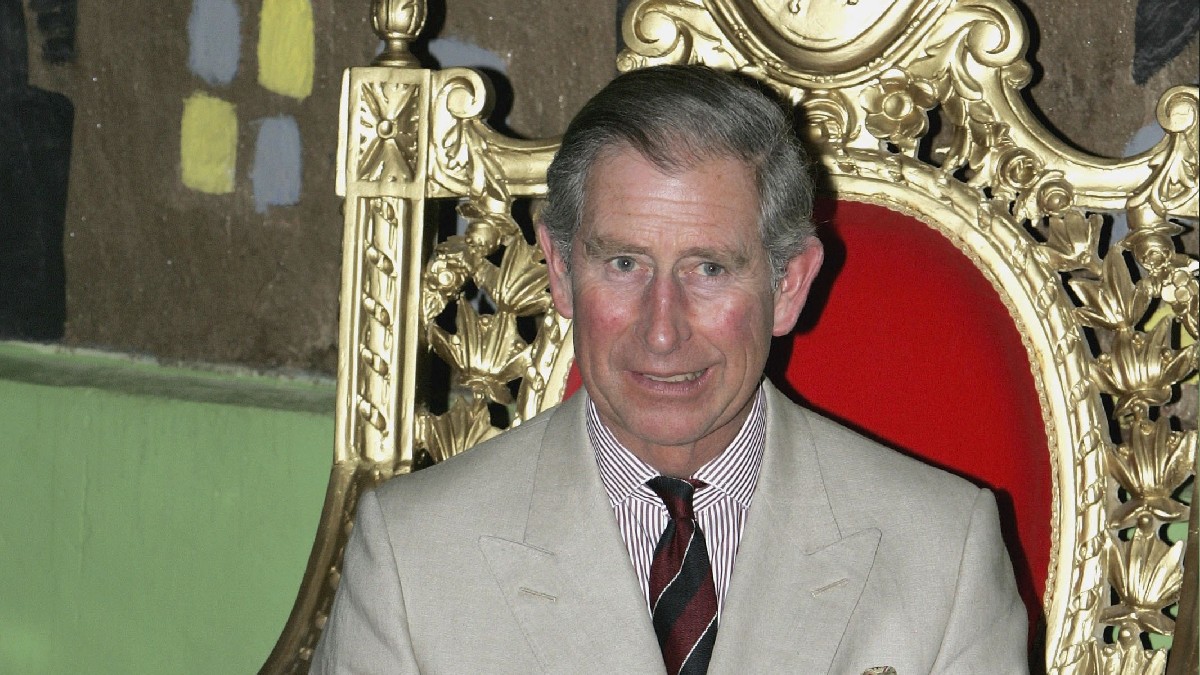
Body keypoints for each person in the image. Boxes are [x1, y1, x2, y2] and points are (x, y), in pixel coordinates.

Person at [313, 65, 1028, 674]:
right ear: (560, 270)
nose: (662, 329)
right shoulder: (412, 555)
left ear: (787, 285)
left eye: (709, 268)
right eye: (623, 263)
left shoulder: (943, 553)